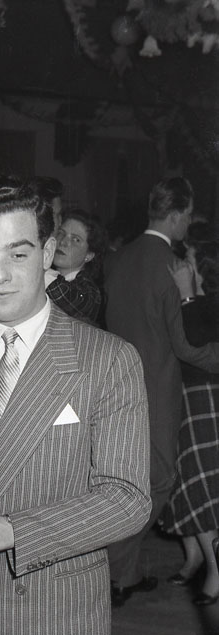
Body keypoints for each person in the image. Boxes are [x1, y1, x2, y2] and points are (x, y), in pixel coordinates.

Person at [0, 168, 151, 635]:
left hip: (53, 612)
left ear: (47, 253)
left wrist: (10, 531)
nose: (0, 275)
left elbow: (128, 500)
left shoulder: (108, 359)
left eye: (18, 253)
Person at [105, 177, 219, 606]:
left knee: (133, 481)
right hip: (159, 391)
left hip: (118, 387)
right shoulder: (171, 266)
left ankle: (126, 573)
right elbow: (187, 346)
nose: (188, 223)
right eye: (187, 216)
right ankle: (113, 568)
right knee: (160, 483)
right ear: (175, 215)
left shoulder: (119, 258)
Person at [162, 226, 219, 606]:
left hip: (206, 398)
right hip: (185, 395)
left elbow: (194, 342)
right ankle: (195, 557)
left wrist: (186, 294)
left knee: (201, 484)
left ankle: (215, 571)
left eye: (191, 259)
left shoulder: (208, 302)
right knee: (185, 479)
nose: (183, 264)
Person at [45, 208, 107, 325]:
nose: (63, 242)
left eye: (75, 239)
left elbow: (68, 299)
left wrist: (39, 271)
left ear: (89, 255)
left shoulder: (89, 292)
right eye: (61, 233)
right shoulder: (48, 277)